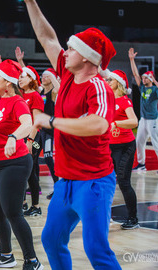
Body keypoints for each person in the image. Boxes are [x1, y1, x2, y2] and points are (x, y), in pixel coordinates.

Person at [24, 1, 121, 269]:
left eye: (71, 48)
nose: (64, 52)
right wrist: (31, 2)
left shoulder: (98, 87)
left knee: (96, 249)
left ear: (88, 57)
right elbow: (46, 37)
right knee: (52, 241)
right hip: (66, 182)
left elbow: (99, 124)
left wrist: (52, 121)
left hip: (93, 182)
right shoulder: (67, 74)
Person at [0, 19, 43, 270]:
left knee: (13, 213)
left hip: (14, 164)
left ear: (8, 81)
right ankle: (6, 256)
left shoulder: (17, 101)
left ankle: (32, 260)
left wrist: (13, 137)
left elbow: (29, 123)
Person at [105, 70, 139, 229]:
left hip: (126, 146)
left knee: (124, 182)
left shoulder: (125, 101)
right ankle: (104, 214)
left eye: (111, 79)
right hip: (110, 146)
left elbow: (134, 121)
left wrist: (117, 124)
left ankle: (133, 219)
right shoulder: (108, 100)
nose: (108, 81)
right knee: (105, 180)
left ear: (118, 83)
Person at [18, 65, 44, 217]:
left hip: (34, 138)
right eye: (20, 76)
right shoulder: (20, 95)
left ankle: (36, 206)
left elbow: (36, 122)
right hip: (22, 136)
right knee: (21, 170)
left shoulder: (35, 96)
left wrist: (29, 140)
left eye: (24, 76)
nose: (20, 79)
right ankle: (22, 203)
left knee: (30, 171)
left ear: (32, 79)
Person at [129, 48, 158, 171]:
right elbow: (135, 74)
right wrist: (131, 60)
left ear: (151, 79)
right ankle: (141, 164)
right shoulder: (142, 88)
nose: (144, 79)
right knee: (139, 142)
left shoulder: (155, 90)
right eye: (144, 77)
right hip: (143, 119)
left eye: (146, 78)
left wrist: (155, 80)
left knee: (156, 143)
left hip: (153, 120)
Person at [40, 68, 60, 200]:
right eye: (43, 76)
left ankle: (58, 187)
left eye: (46, 76)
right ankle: (34, 187)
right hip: (40, 130)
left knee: (48, 157)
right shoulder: (40, 91)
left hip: (50, 130)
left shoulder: (53, 92)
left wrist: (53, 77)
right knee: (34, 156)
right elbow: (29, 77)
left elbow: (59, 88)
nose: (43, 78)